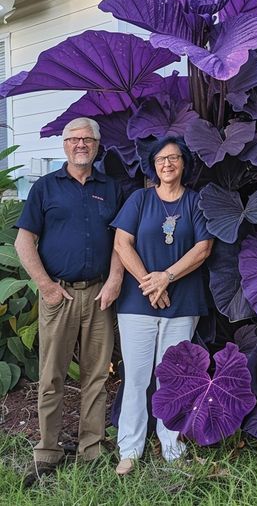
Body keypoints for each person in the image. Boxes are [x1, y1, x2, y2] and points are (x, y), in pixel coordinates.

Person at [15, 117, 124, 486]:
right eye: (74, 139)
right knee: (51, 377)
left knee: (96, 376)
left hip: (99, 295)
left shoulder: (111, 188)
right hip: (58, 295)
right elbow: (23, 242)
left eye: (88, 139)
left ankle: (91, 448)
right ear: (64, 145)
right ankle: (47, 452)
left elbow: (122, 240)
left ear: (96, 146)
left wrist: (114, 280)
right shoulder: (45, 188)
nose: (81, 144)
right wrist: (45, 286)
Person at [111, 136, 213, 475]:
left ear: (184, 163)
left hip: (181, 302)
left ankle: (172, 445)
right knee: (137, 377)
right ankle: (130, 448)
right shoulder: (140, 199)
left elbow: (203, 249)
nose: (167, 164)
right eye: (160, 160)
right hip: (137, 304)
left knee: (175, 378)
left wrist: (165, 278)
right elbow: (122, 243)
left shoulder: (196, 202)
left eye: (173, 158)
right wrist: (149, 283)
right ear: (153, 166)